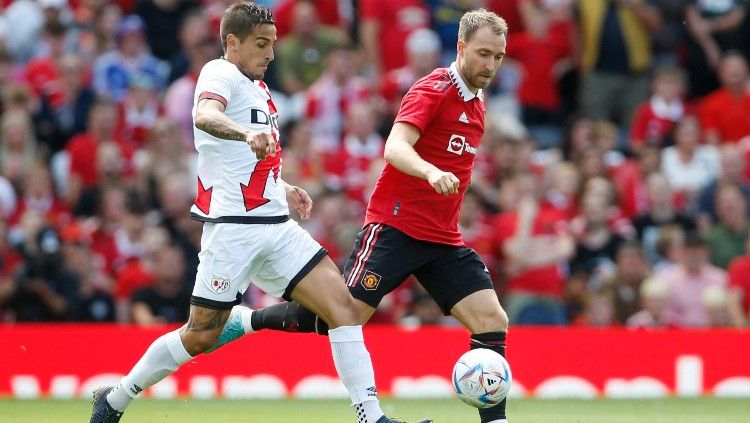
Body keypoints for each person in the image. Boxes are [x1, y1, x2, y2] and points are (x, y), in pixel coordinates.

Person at [89, 4, 429, 423]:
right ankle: (117, 397)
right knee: (200, 336)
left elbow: (248, 159)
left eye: (273, 43)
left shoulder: (260, 88)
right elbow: (206, 115)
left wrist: (283, 189)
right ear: (232, 43)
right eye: (261, 44)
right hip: (233, 230)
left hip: (276, 226)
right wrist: (245, 131)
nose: (270, 53)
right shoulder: (219, 73)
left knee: (344, 307)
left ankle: (371, 417)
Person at [217, 8, 512, 423]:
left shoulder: (477, 102)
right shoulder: (434, 89)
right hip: (395, 226)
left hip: (443, 237)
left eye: (498, 57)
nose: (491, 65)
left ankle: (495, 420)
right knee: (346, 314)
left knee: (492, 319)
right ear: (461, 47)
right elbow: (394, 147)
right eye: (483, 54)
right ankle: (249, 319)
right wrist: (430, 171)